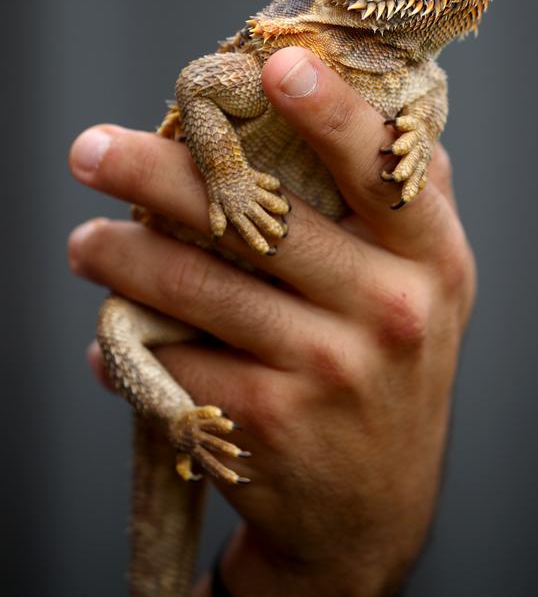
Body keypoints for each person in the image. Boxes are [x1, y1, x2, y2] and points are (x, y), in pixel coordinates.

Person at [68, 47, 476, 597]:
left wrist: (417, 140)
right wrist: (229, 176)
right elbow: (200, 83)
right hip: (171, 315)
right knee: (116, 325)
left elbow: (426, 115)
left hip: (294, 308)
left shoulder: (425, 85)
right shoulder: (300, 48)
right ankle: (182, 421)